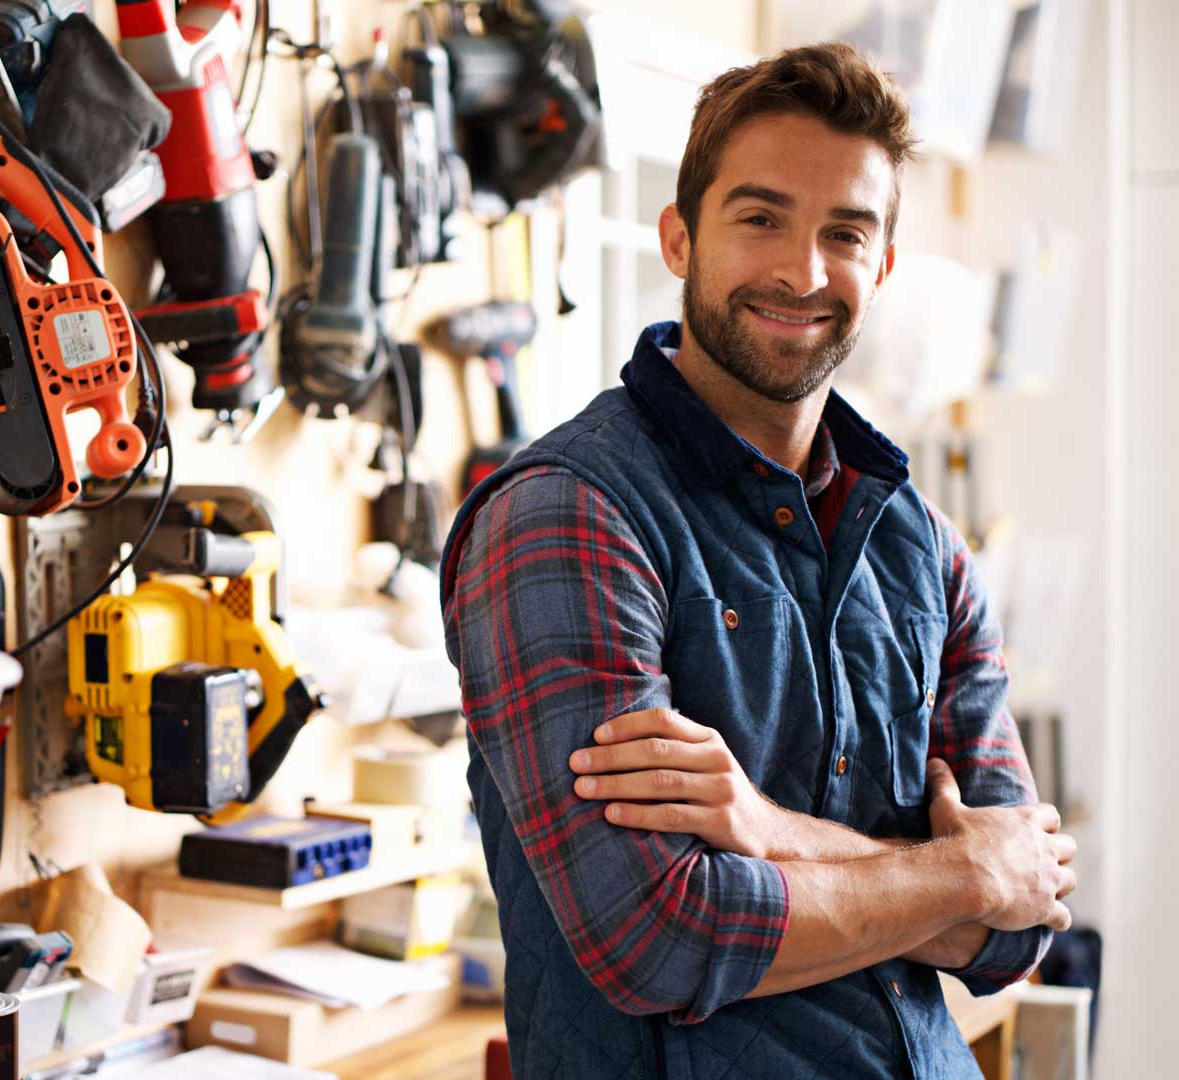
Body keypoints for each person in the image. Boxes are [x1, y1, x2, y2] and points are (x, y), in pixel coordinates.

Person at [440, 42, 1078, 1077]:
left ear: (883, 266)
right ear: (680, 237)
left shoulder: (919, 542)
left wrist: (768, 829)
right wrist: (962, 877)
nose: (802, 271)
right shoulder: (567, 516)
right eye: (761, 218)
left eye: (846, 232)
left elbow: (1023, 924)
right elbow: (660, 937)